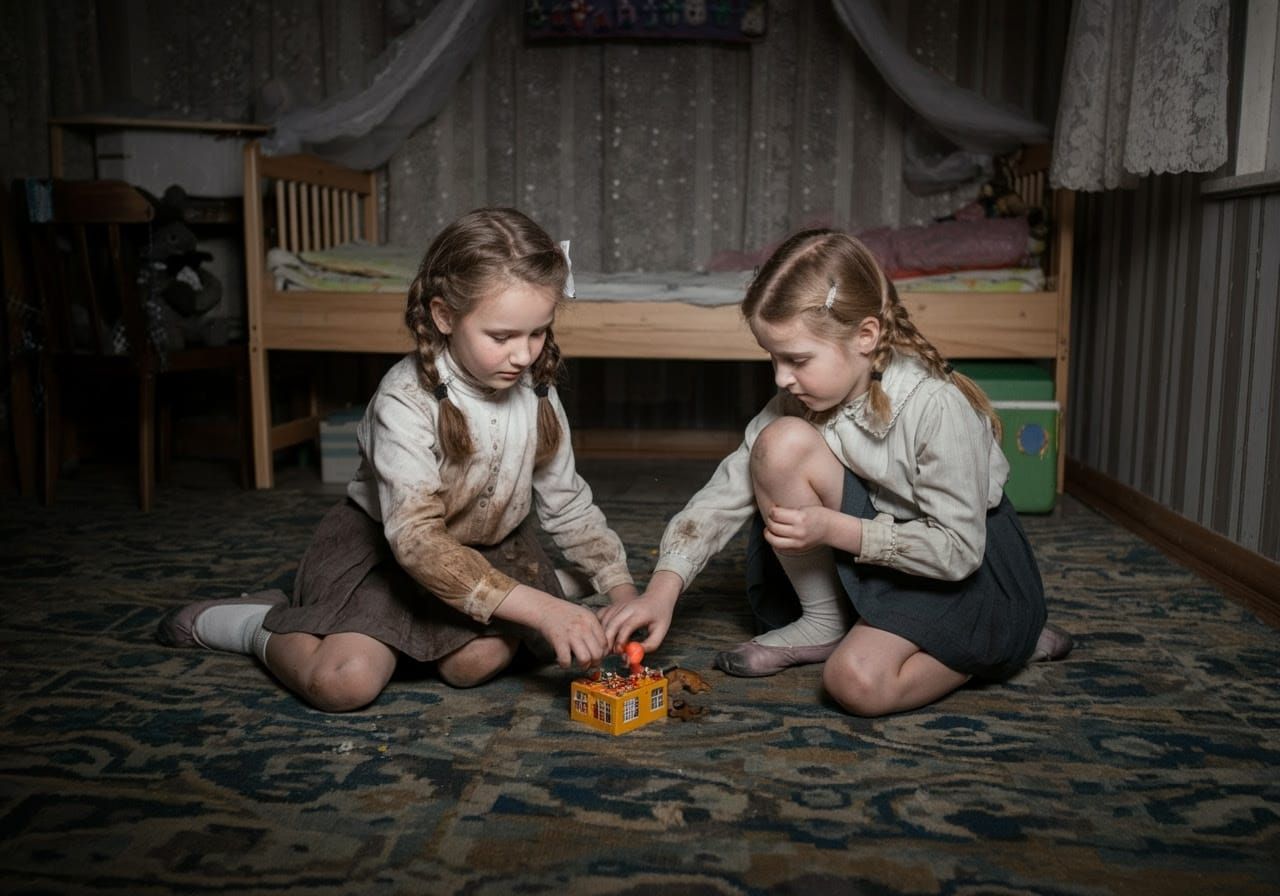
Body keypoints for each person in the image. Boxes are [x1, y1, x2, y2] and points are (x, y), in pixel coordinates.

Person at [158, 208, 638, 711]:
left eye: (537, 333)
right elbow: (419, 543)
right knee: (344, 684)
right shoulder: (404, 400)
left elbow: (568, 503)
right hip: (395, 556)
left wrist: (622, 593)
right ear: (444, 316)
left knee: (476, 663)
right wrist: (541, 608)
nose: (524, 356)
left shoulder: (536, 390)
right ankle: (257, 623)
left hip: (487, 553)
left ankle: (419, 638)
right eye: (502, 337)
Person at [600, 229, 1071, 717]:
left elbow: (957, 552)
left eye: (797, 359)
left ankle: (999, 641)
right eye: (774, 359)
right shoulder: (801, 398)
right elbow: (724, 493)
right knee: (777, 444)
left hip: (957, 566)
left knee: (856, 682)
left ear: (865, 337)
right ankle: (825, 621)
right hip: (875, 549)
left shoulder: (935, 406)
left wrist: (833, 528)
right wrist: (663, 590)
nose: (782, 377)